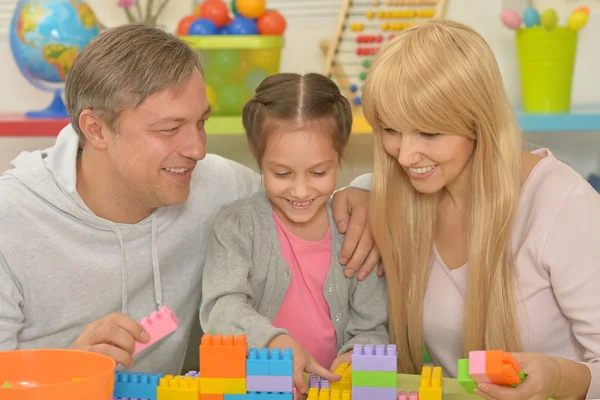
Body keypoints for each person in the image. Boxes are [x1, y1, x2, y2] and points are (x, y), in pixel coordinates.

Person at [0, 24, 381, 375]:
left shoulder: (217, 184)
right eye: (169, 129)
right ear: (95, 129)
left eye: (201, 122)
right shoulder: (11, 219)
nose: (198, 149)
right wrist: (66, 374)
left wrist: (362, 193)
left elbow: (302, 188)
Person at [357, 19, 600, 400]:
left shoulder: (564, 204)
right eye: (390, 130)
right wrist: (351, 196)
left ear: (479, 122)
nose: (404, 155)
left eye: (430, 133)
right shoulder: (396, 195)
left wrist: (557, 377)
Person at [200, 73, 389, 394]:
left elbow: (372, 325)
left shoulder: (353, 231)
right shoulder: (237, 225)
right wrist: (272, 341)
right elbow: (220, 308)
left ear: (340, 152)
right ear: (256, 152)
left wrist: (359, 358)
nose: (301, 190)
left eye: (319, 172)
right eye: (282, 173)